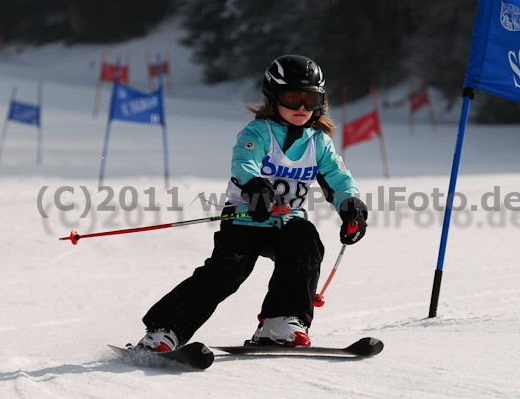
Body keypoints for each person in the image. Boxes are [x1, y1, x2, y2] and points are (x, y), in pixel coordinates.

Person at [136, 54, 368, 351]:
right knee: (229, 271)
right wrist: (257, 188)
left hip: (287, 221)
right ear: (273, 97)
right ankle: (165, 329)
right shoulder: (259, 132)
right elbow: (244, 163)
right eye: (293, 98)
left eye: (310, 100)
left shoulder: (318, 141)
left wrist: (351, 206)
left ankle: (281, 321)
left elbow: (337, 176)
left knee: (305, 243)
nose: (301, 108)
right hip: (247, 218)